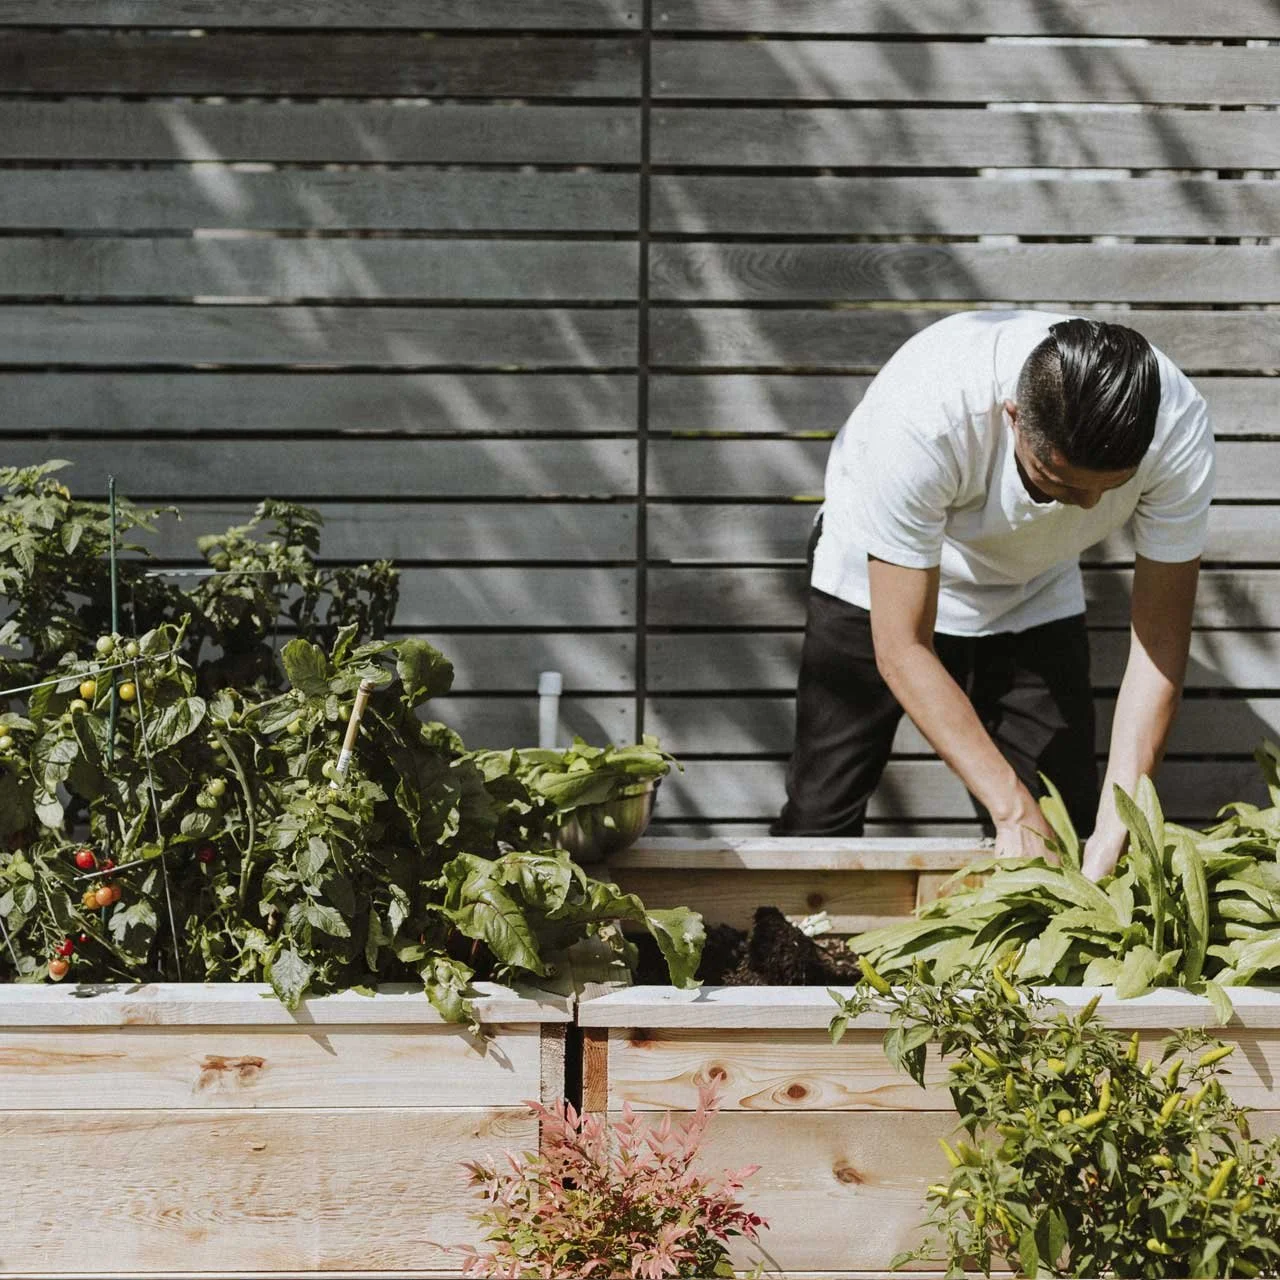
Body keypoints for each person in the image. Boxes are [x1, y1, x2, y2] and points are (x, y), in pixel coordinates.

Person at [771, 310, 1215, 881]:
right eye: (1057, 482)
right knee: (820, 816)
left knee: (1065, 824)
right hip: (873, 580)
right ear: (1013, 418)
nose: (1085, 507)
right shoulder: (924, 415)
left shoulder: (1176, 426)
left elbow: (1158, 646)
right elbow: (902, 648)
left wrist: (1118, 819)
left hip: (1033, 586)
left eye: (1109, 489)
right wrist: (1010, 809)